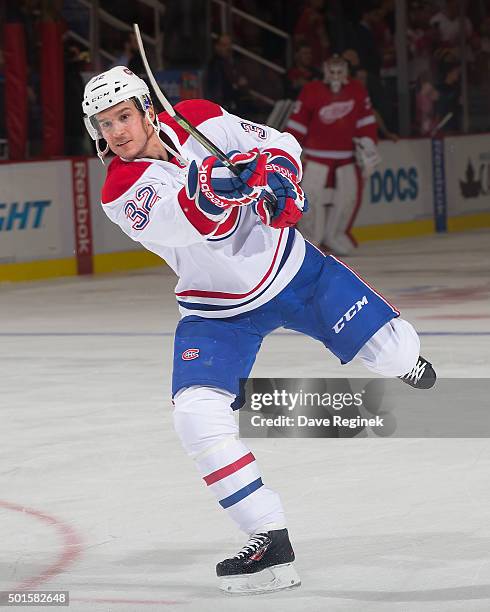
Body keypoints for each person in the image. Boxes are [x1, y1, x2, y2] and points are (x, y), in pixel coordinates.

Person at [82, 66, 436, 596]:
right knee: (195, 415)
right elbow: (201, 220)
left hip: (295, 273)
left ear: (147, 109)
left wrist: (280, 177)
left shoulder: (198, 116)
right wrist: (230, 182)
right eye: (104, 125)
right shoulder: (120, 189)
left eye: (123, 117)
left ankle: (405, 361)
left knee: (392, 352)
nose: (117, 133)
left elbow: (279, 143)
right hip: (217, 310)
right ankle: (269, 539)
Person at [285, 55, 381, 256]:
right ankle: (310, 240)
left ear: (346, 71)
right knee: (310, 198)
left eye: (340, 71)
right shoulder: (311, 91)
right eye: (332, 71)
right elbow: (298, 122)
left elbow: (366, 122)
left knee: (347, 199)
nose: (336, 75)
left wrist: (369, 144)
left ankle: (334, 235)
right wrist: (293, 150)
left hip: (346, 157)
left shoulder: (357, 90)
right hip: (316, 157)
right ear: (325, 71)